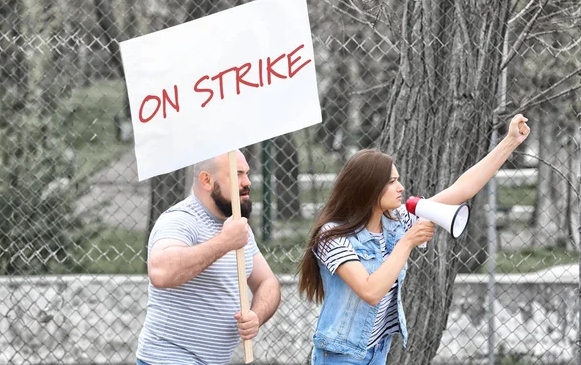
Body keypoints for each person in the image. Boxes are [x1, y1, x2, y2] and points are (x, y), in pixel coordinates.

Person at [298, 114, 531, 364]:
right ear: (368, 187)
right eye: (392, 181)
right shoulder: (331, 236)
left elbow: (463, 189)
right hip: (340, 355)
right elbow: (370, 290)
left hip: (377, 351)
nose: (401, 188)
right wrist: (407, 242)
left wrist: (510, 141)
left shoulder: (395, 221)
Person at [136, 150, 281, 365]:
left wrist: (256, 316)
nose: (248, 182)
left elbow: (268, 282)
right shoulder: (181, 220)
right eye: (238, 174)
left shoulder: (238, 228)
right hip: (169, 359)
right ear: (206, 180)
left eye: (247, 173)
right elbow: (160, 272)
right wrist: (224, 242)